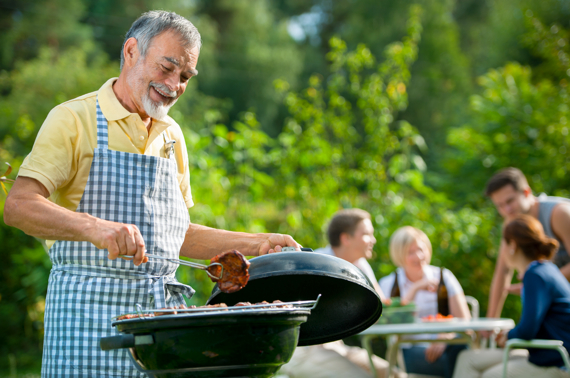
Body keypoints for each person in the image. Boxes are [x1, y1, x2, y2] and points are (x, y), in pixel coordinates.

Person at [3, 11, 301, 377]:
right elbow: (18, 206)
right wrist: (95, 228)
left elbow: (178, 235)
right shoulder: (73, 120)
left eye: (185, 76)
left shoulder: (172, 135)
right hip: (87, 325)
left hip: (162, 332)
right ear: (131, 52)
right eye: (167, 68)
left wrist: (257, 243)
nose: (174, 84)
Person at [452, 215, 570, 378]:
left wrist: (508, 335)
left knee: (488, 375)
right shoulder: (545, 269)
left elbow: (527, 330)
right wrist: (511, 333)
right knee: (467, 359)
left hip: (558, 363)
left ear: (512, 245)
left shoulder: (535, 275)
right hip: (546, 355)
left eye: (503, 243)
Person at [279, 208, 389, 378]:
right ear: (346, 238)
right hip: (304, 350)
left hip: (335, 346)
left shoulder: (360, 264)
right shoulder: (318, 264)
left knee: (392, 373)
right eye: (367, 234)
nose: (373, 240)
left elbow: (382, 305)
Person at [379, 226, 471, 378]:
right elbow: (390, 322)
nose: (419, 256)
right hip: (410, 349)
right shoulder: (388, 283)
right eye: (411, 252)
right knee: (459, 363)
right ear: (399, 255)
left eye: (421, 249)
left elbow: (465, 322)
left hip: (447, 346)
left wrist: (445, 338)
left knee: (459, 351)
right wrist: (415, 289)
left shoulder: (444, 276)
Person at [484, 167, 570, 319]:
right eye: (500, 205)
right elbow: (503, 271)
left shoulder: (559, 213)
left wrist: (537, 284)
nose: (507, 209)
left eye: (510, 201)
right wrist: (491, 323)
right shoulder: (512, 223)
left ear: (526, 192)